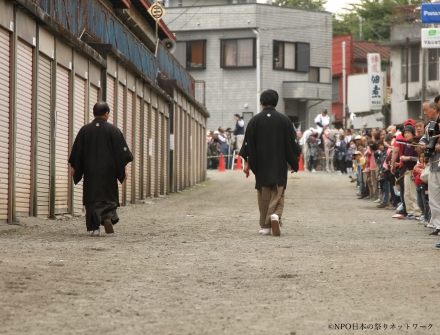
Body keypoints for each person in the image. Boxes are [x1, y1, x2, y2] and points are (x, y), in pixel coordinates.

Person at [239, 89, 300, 236]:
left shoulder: (254, 121)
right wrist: (293, 161)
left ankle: (265, 226)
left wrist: (247, 163)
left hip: (261, 163)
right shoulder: (284, 119)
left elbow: (248, 144)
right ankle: (275, 215)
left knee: (263, 193)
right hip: (279, 162)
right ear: (276, 102)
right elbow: (291, 143)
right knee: (279, 191)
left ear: (262, 103)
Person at [69, 101, 133, 236]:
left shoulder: (84, 130)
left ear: (94, 113)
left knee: (91, 198)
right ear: (107, 114)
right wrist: (123, 169)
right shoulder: (114, 130)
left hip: (90, 171)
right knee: (108, 196)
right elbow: (121, 153)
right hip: (108, 171)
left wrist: (75, 167)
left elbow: (77, 152)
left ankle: (95, 228)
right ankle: (107, 217)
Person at [419, 100, 440, 236]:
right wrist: (422, 144)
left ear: (434, 108)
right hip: (433, 163)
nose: (425, 113)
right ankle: (438, 225)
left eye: (426, 110)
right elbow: (424, 139)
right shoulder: (429, 126)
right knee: (433, 197)